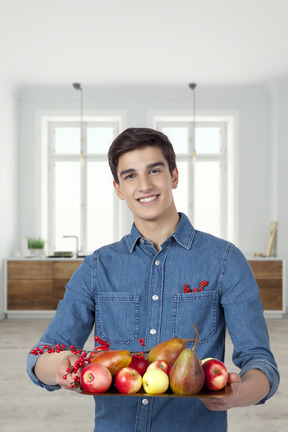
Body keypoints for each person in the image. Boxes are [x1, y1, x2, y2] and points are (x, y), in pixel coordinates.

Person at [27, 127, 279, 432]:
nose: (144, 185)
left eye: (154, 170)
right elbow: (41, 356)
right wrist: (58, 367)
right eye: (130, 175)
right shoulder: (97, 267)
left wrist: (238, 394)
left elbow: (261, 363)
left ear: (174, 176)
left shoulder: (225, 260)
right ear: (118, 188)